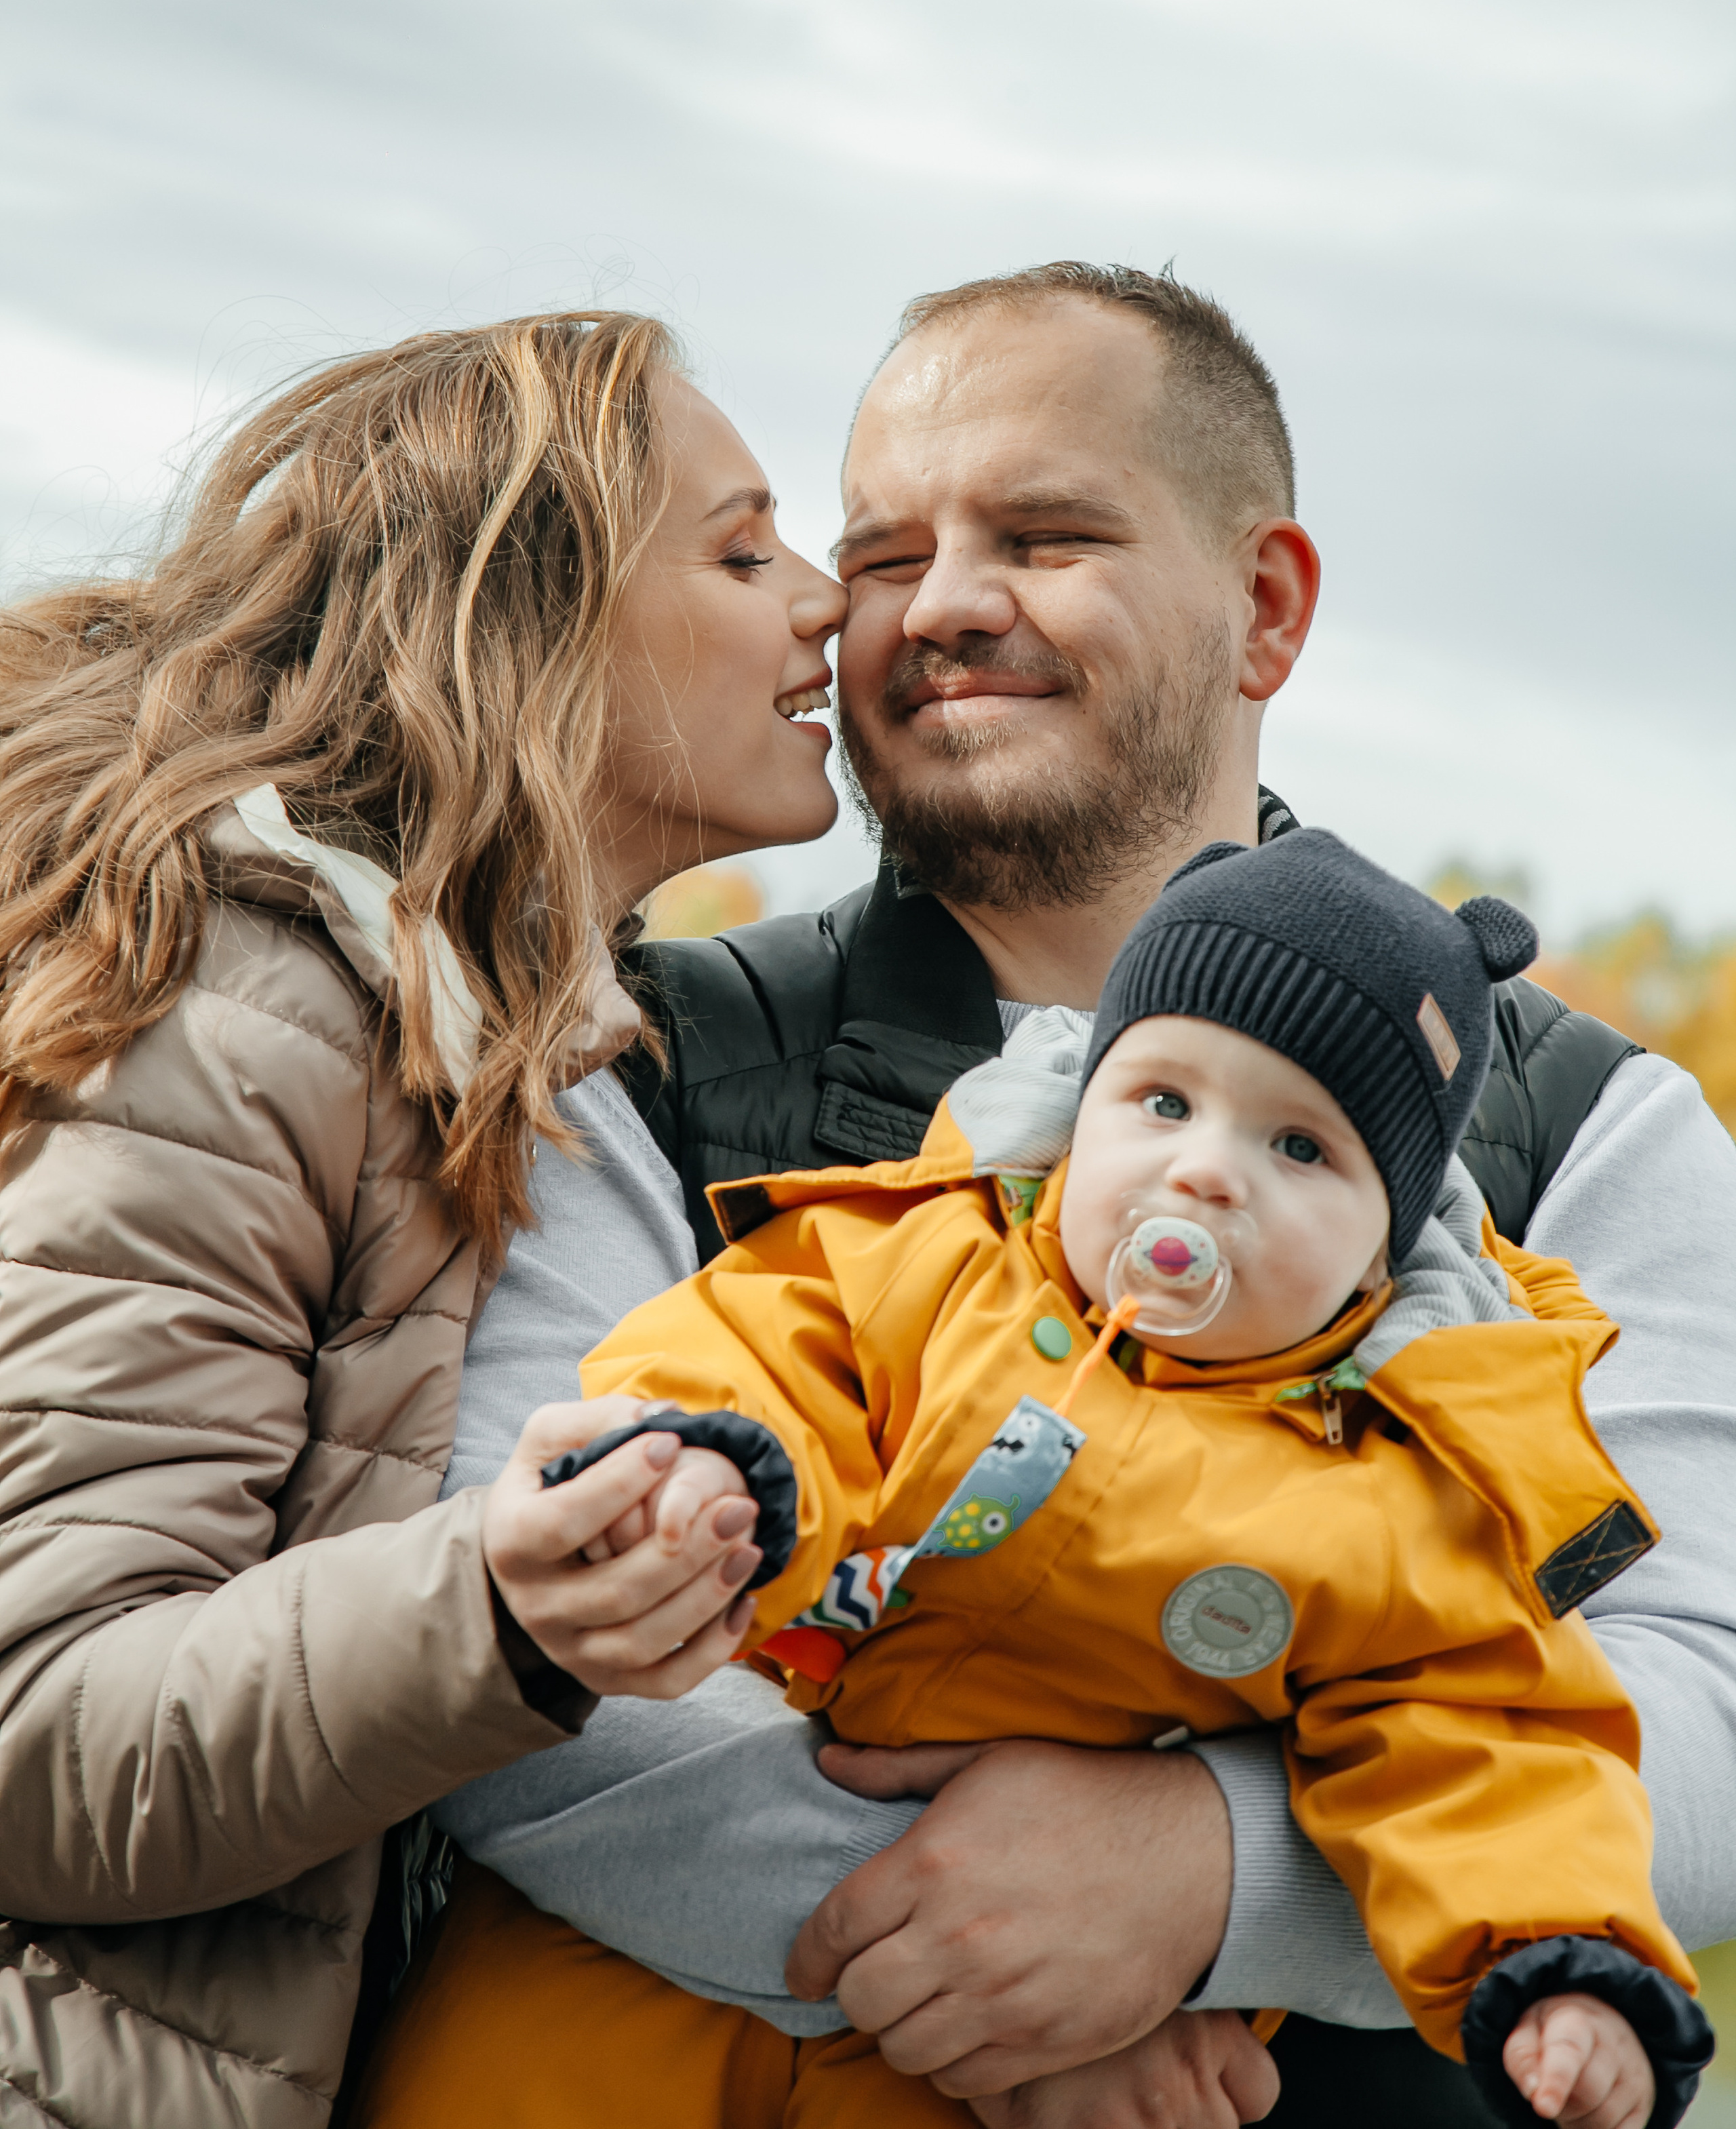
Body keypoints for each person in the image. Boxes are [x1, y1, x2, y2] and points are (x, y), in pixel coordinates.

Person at [379, 265, 1736, 2129]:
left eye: (1044, 533)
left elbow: (1709, 1696)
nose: (942, 607)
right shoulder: (641, 1060)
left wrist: (1206, 1883)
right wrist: (988, 1970)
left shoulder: (1588, 1127)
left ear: (1264, 608)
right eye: (880, 554)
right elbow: (512, 1662)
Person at [0, 309, 851, 2128]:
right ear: (533, 617)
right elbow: (36, 1730)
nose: (828, 595)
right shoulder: (242, 1013)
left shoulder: (503, 1045)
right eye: (743, 547)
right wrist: (492, 1613)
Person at [557, 829, 1710, 2129]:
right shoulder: (933, 1258)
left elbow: (1491, 1747)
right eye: (1163, 1103)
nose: (1206, 1168)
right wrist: (705, 1480)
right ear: (1078, 1100)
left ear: (1380, 1258)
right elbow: (763, 1352)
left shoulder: (1390, 1500)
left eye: (1300, 1150)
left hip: (1087, 2041)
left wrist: (1567, 1964)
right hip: (685, 1946)